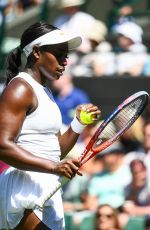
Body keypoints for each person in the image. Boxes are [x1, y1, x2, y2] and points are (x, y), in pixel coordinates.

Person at [0, 21, 101, 230]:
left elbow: (55, 151)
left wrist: (78, 123)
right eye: (59, 54)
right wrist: (54, 167)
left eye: (67, 55)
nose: (65, 61)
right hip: (24, 190)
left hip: (45, 187)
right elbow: (2, 146)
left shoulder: (45, 92)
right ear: (37, 52)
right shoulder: (20, 88)